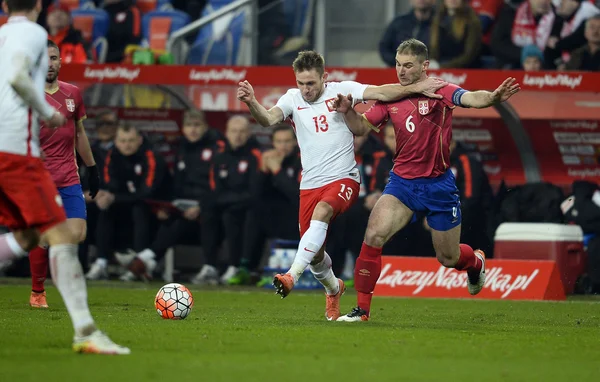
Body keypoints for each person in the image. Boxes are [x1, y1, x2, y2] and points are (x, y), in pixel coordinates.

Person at [237, 50, 447, 320]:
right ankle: (334, 288)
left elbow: (382, 92)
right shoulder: (291, 98)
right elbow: (267, 119)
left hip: (343, 178)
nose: (305, 89)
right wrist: (251, 102)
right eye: (301, 83)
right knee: (315, 256)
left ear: (324, 77)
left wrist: (418, 86)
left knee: (323, 211)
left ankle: (291, 276)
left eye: (311, 83)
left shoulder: (342, 90)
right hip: (309, 185)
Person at [334, 39, 520, 322]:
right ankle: (362, 311)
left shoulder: (439, 90)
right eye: (398, 64)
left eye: (408, 65)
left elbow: (470, 98)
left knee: (448, 257)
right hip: (402, 184)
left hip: (439, 186)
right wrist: (348, 111)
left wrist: (493, 98)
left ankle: (476, 262)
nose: (402, 71)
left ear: (424, 66)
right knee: (373, 235)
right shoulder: (390, 96)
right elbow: (360, 127)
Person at [0, 0, 129, 354]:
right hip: (16, 153)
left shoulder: (3, 35)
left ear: (5, 4)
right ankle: (86, 332)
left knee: (26, 237)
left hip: (9, 153)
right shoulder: (32, 33)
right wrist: (46, 112)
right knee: (61, 237)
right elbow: (16, 77)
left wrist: (89, 167)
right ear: (39, 6)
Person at [28, 40, 100, 309]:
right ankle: (38, 291)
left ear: (60, 61)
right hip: (38, 179)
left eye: (54, 58)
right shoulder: (28, 97)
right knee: (47, 233)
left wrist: (92, 169)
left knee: (78, 233)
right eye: (44, 58)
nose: (50, 63)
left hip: (69, 177)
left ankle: (40, 240)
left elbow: (79, 134)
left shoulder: (73, 94)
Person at [86, 124, 170, 280]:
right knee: (104, 208)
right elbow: (110, 185)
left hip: (153, 208)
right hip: (122, 207)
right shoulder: (112, 156)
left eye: (131, 140)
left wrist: (116, 197)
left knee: (139, 207)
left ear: (139, 140)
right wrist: (108, 197)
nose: (127, 145)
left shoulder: (151, 157)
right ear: (116, 142)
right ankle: (101, 261)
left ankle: (138, 264)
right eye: (123, 141)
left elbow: (147, 192)